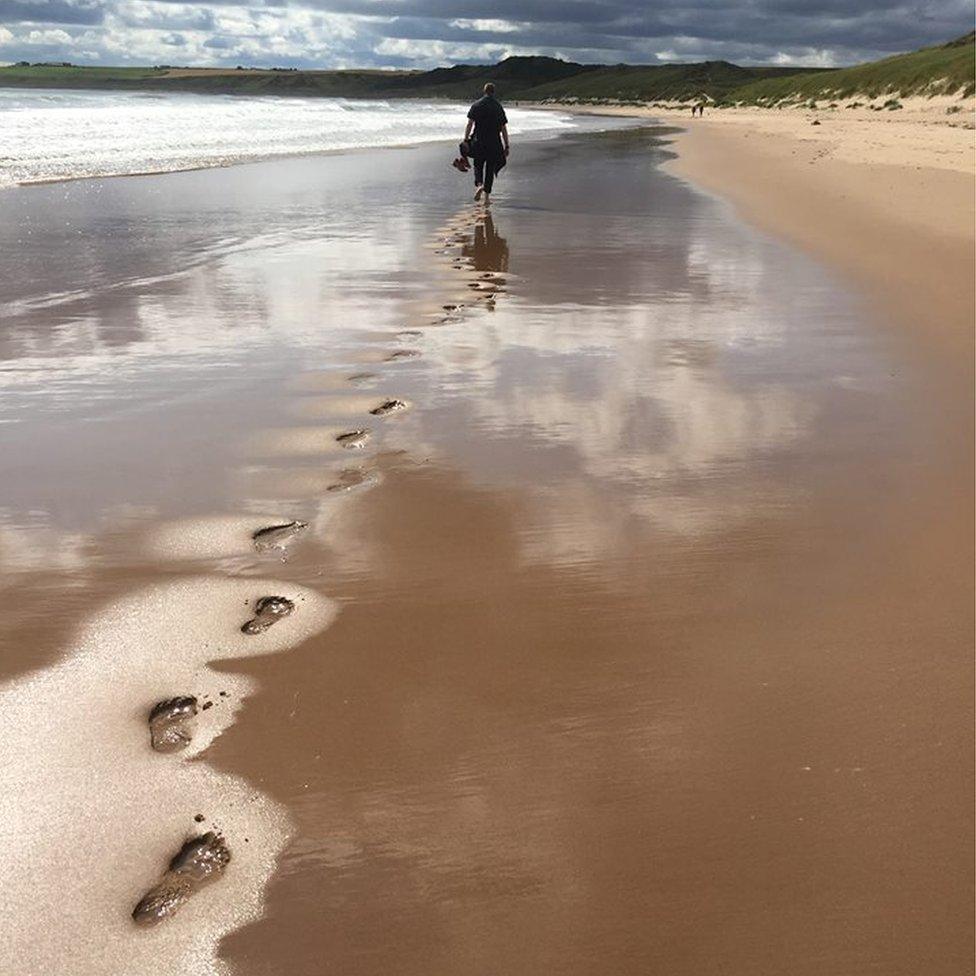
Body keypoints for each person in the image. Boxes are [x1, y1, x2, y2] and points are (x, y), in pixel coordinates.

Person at [464, 83, 510, 204]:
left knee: (478, 165)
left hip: (479, 141)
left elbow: (470, 123)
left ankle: (479, 184)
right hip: (494, 142)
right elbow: (503, 128)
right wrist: (507, 145)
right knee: (490, 168)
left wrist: (465, 139)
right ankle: (487, 198)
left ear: (484, 91)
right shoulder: (498, 106)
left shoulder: (477, 104)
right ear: (493, 92)